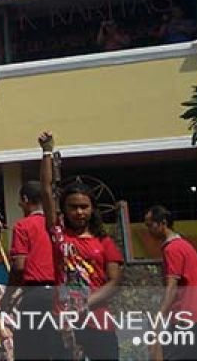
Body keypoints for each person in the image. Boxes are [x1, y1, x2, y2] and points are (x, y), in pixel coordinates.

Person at [39, 132, 123, 360]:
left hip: (99, 323)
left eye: (84, 207)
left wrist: (87, 303)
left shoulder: (104, 242)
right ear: (64, 209)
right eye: (73, 207)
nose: (79, 212)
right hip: (64, 323)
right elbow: (47, 191)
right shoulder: (58, 234)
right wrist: (46, 151)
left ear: (92, 209)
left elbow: (115, 281)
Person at [144, 206, 197, 361]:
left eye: (150, 225)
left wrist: (159, 317)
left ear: (162, 223)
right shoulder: (183, 245)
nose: (148, 230)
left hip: (187, 319)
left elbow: (172, 286)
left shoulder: (172, 249)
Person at [4, 181, 59, 360]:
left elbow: (19, 266)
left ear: (25, 200)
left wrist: (8, 295)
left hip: (35, 294)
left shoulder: (23, 226)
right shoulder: (58, 227)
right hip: (60, 294)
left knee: (30, 349)